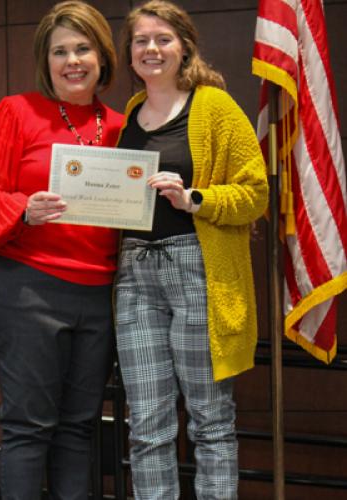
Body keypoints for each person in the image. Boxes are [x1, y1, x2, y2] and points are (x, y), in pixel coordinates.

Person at [0, 2, 123, 499]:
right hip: (27, 285)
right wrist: (22, 208)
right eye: (60, 51)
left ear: (102, 57)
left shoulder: (124, 126)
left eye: (82, 48)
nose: (72, 60)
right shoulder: (16, 112)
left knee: (79, 428)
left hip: (99, 292)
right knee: (29, 426)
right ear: (45, 59)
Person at [114, 1, 269, 499]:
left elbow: (255, 194)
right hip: (135, 272)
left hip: (196, 268)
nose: (151, 49)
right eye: (141, 41)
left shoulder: (215, 107)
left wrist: (193, 199)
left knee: (210, 420)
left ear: (184, 46)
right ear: (130, 52)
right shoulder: (133, 113)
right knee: (147, 425)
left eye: (162, 39)